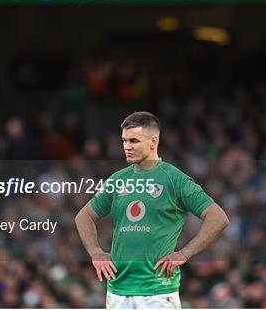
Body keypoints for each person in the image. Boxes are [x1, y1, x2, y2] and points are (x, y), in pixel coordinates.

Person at [75, 111, 229, 309]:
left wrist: (185, 253)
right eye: (124, 141)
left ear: (153, 141)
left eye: (134, 141)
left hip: (158, 291)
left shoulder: (175, 179)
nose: (127, 147)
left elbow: (218, 217)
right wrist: (95, 252)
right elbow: (84, 216)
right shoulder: (118, 180)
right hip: (118, 290)